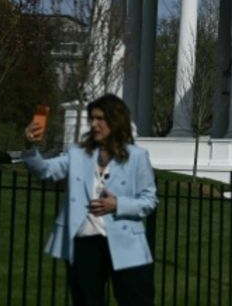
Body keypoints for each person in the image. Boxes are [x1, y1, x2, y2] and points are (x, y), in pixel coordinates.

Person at [24, 94, 158, 306]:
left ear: (116, 120)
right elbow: (45, 170)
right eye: (92, 118)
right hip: (84, 242)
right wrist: (30, 147)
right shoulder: (77, 154)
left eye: (100, 118)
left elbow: (149, 200)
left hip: (127, 242)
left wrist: (118, 204)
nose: (94, 124)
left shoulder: (137, 156)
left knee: (137, 300)